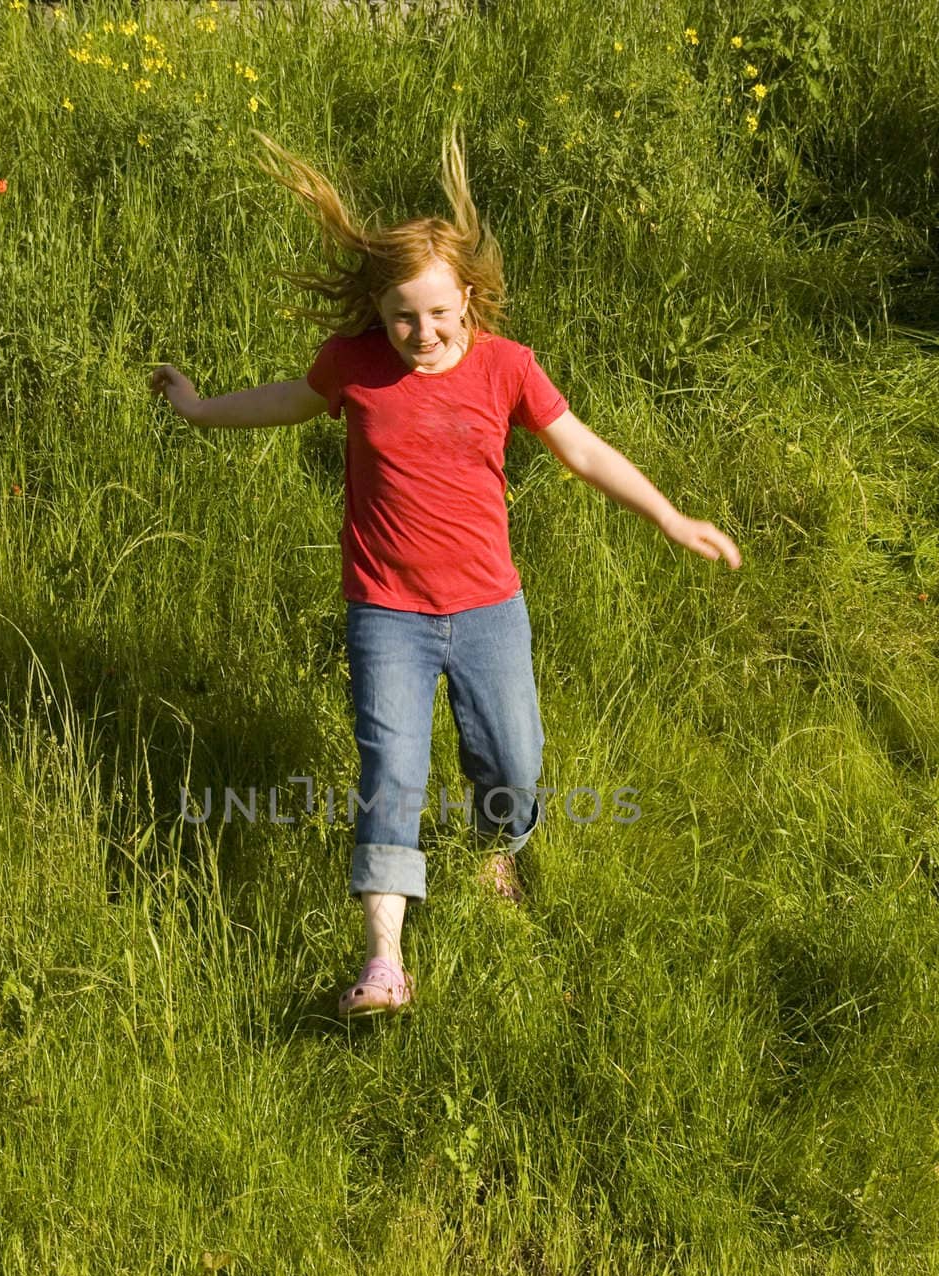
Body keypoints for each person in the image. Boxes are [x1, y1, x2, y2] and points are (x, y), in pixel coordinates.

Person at [150, 124, 742, 1020]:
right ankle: (384, 959)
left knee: (515, 760)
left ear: (468, 299)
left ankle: (493, 848)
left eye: (436, 313)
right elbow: (284, 402)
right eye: (400, 316)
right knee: (391, 769)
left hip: (490, 607)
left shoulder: (507, 368)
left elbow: (579, 448)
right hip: (385, 609)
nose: (419, 333)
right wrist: (198, 408)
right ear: (378, 312)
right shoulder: (354, 365)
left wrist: (669, 515)